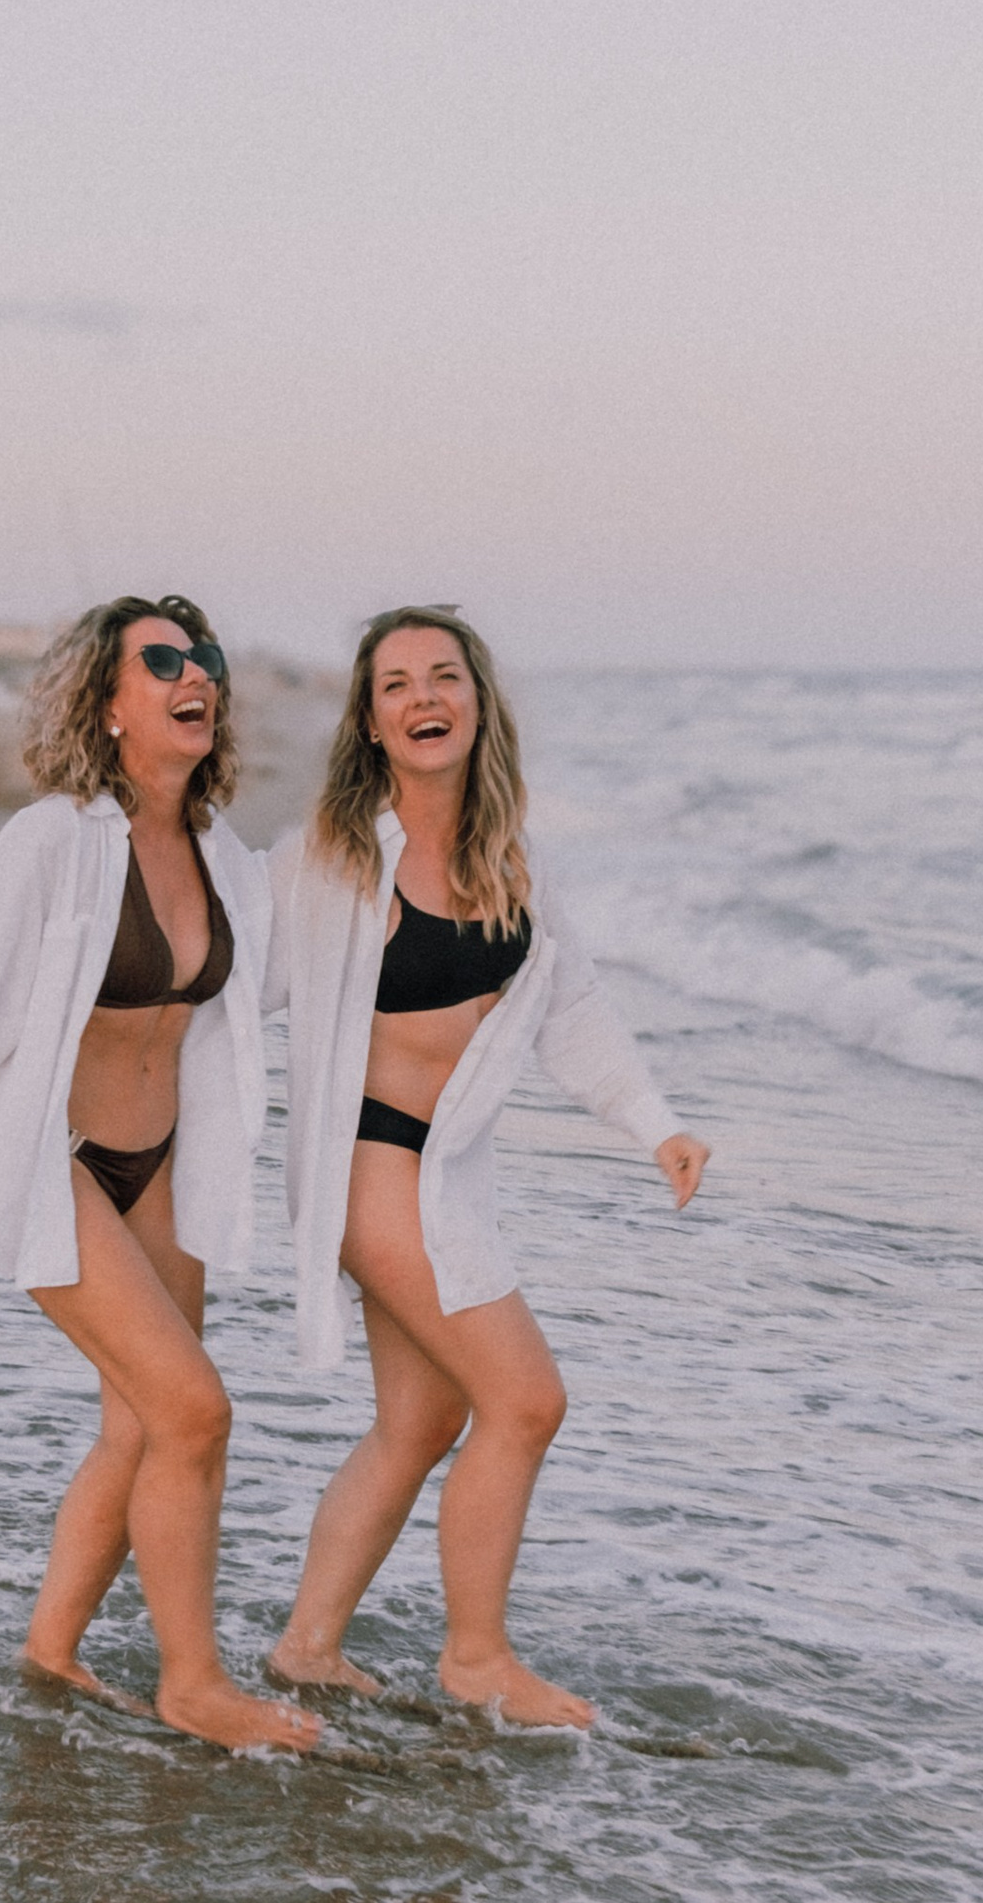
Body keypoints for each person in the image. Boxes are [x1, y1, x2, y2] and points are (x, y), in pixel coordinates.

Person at [0, 595, 317, 1755]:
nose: (192, 673)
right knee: (194, 1408)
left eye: (203, 656)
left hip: (164, 1161)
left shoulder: (222, 856)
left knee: (140, 1426)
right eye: (159, 661)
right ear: (107, 705)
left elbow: (264, 984)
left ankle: (51, 1651)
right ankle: (193, 1682)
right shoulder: (51, 841)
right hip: (45, 1156)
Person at [266, 607, 708, 1727]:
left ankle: (307, 1648)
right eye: (397, 684)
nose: (423, 698)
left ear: (476, 701)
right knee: (524, 1400)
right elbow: (218, 973)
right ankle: (476, 1662)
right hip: (368, 1170)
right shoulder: (332, 855)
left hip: (446, 1178)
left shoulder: (511, 858)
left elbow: (573, 1008)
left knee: (418, 1425)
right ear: (370, 721)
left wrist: (653, 1121)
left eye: (443, 677)